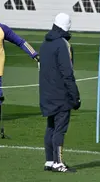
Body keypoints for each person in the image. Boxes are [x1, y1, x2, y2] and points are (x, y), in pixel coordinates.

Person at [39, 13, 81, 173]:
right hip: (61, 94)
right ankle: (58, 162)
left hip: (46, 92)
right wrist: (75, 96)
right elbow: (67, 73)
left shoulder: (45, 44)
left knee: (50, 126)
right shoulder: (62, 44)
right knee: (60, 129)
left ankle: (50, 160)